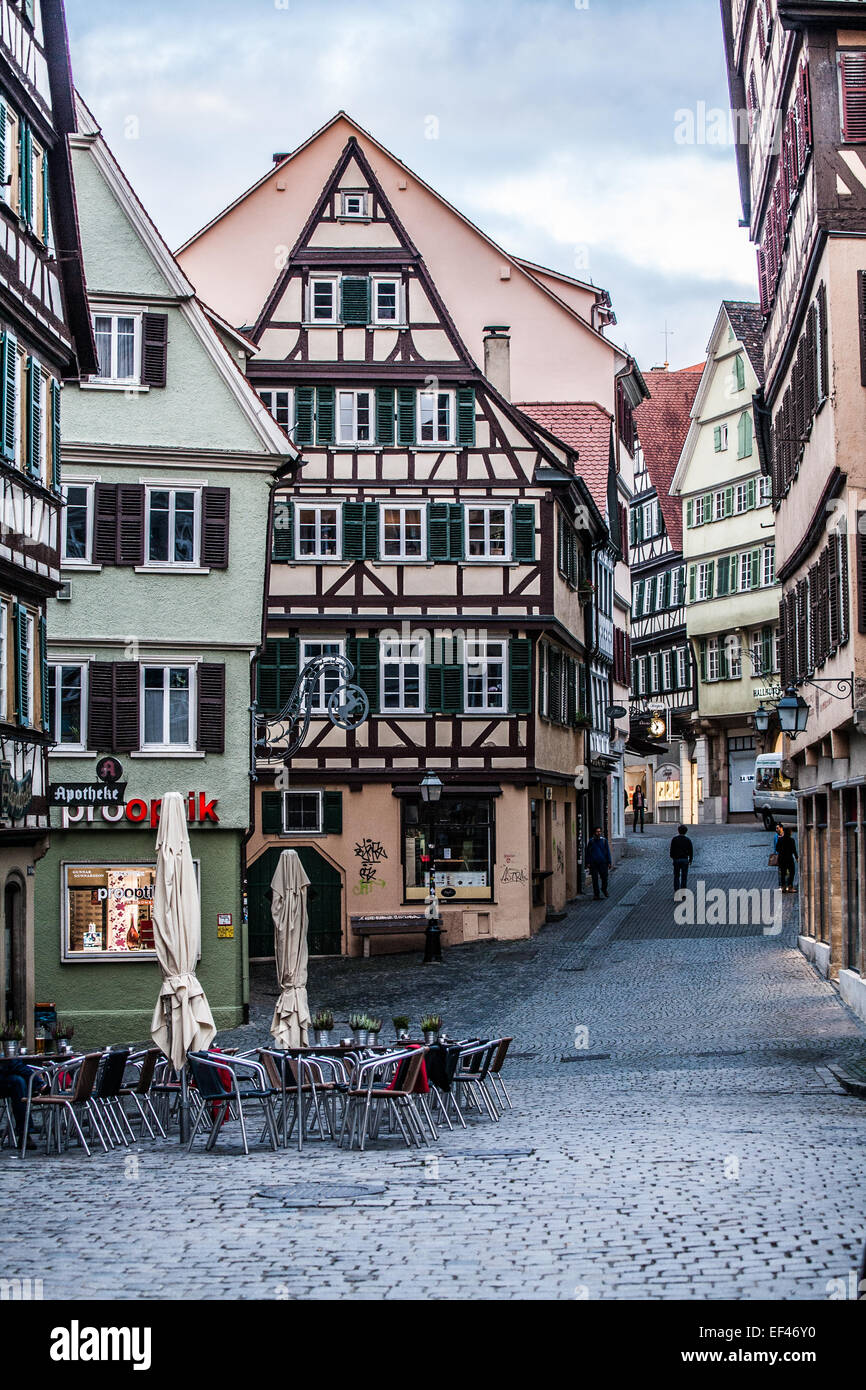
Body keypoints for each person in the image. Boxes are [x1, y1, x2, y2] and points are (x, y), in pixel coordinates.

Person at [585, 826, 612, 900]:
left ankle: (604, 889)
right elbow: (588, 853)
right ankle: (596, 894)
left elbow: (607, 852)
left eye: (600, 831)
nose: (598, 833)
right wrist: (588, 862)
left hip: (603, 862)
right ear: (594, 832)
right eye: (597, 831)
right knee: (595, 879)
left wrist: (609, 861)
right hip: (594, 863)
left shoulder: (604, 841)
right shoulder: (591, 841)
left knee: (604, 878)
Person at [670, 823, 694, 892]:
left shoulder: (675, 839)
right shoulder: (688, 840)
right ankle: (683, 893)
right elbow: (691, 851)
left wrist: (673, 857)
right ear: (686, 831)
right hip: (684, 860)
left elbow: (672, 850)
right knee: (684, 877)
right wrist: (690, 860)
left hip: (677, 860)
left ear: (678, 831)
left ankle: (677, 892)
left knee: (676, 876)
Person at [776, 824, 798, 893]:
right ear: (790, 833)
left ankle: (783, 887)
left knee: (783, 873)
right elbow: (794, 850)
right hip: (789, 859)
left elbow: (777, 849)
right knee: (792, 872)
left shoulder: (780, 839)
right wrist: (797, 858)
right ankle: (790, 886)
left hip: (781, 858)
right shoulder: (791, 840)